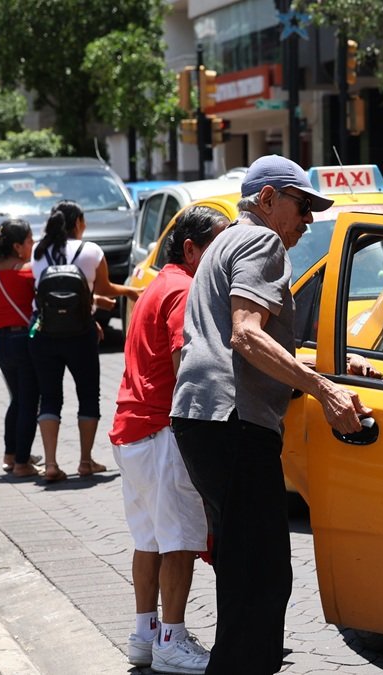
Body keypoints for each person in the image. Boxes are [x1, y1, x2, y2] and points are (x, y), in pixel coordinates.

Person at [170, 155, 380, 673]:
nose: (308, 220)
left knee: (245, 569)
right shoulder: (262, 241)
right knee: (262, 575)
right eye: (302, 206)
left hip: (203, 419)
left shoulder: (224, 240)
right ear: (267, 200)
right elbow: (245, 333)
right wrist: (324, 389)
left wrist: (319, 365)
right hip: (233, 423)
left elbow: (235, 338)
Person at [110, 205, 228, 673]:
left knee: (150, 539)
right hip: (162, 431)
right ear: (191, 249)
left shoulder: (157, 285)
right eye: (216, 246)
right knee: (178, 541)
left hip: (132, 430)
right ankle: (172, 642)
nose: (223, 255)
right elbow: (186, 367)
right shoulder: (184, 288)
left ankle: (145, 635)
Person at [30, 200, 139, 482]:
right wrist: (130, 291)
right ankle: (85, 461)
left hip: (44, 332)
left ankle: (51, 464)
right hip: (81, 333)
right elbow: (103, 287)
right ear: (77, 222)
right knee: (88, 395)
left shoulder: (38, 251)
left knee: (50, 397)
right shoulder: (90, 251)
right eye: (84, 220)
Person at [0, 219, 42, 478]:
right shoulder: (28, 272)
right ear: (16, 245)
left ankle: (10, 454)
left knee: (17, 398)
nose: (32, 244)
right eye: (29, 240)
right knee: (29, 401)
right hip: (25, 340)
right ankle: (22, 462)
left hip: (1, 342)